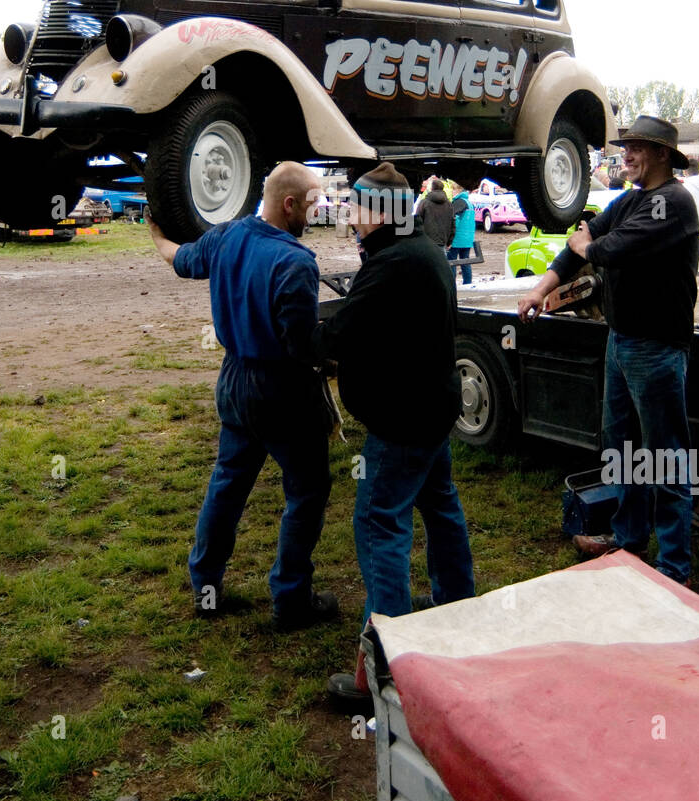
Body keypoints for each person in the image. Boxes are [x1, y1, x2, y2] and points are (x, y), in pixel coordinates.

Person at [146, 161, 338, 629]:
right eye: (311, 206)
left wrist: (154, 233)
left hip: (234, 383)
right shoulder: (295, 261)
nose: (314, 216)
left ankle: (206, 589)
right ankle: (291, 600)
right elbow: (300, 346)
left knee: (228, 486)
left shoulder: (225, 237)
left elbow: (179, 259)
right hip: (283, 390)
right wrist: (335, 352)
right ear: (289, 204)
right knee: (308, 492)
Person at [313, 162, 475, 702]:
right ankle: (456, 603)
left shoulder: (391, 265)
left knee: (380, 525)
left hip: (404, 420)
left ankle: (384, 668)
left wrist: (300, 337)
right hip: (434, 407)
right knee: (441, 506)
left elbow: (344, 331)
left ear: (379, 214)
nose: (349, 217)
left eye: (356, 208)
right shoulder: (422, 249)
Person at [518, 116, 699, 586]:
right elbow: (580, 248)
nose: (627, 156)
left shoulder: (671, 203)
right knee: (622, 450)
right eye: (626, 149)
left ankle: (673, 568)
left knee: (667, 457)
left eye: (637, 148)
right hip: (622, 342)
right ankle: (630, 540)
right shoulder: (634, 199)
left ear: (663, 154)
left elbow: (609, 247)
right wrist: (542, 289)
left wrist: (588, 242)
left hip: (656, 349)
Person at [447, 181, 477, 285]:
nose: (452, 192)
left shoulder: (458, 202)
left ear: (459, 190)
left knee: (452, 261)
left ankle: (452, 284)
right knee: (465, 261)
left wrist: (449, 236)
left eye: (453, 189)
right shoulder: (469, 203)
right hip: (467, 239)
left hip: (457, 238)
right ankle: (467, 283)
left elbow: (454, 220)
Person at [417, 177, 455, 247]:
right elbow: (452, 224)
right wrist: (449, 242)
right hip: (442, 242)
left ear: (431, 189)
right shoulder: (449, 204)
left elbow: (417, 221)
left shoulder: (424, 203)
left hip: (426, 243)